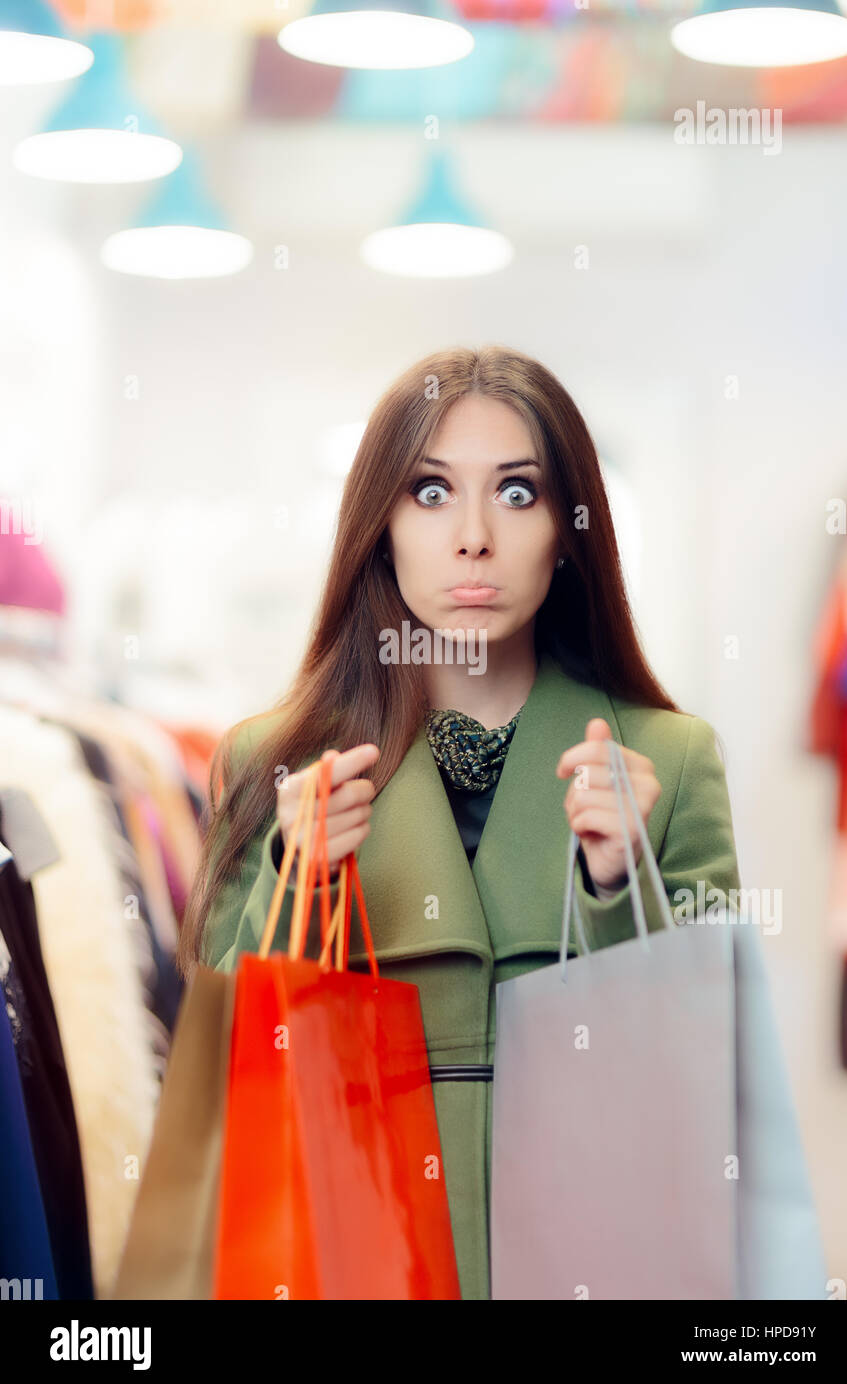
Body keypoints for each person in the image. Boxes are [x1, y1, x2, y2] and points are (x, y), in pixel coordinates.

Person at [179, 343, 741, 1301]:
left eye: (516, 493)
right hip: (351, 1265)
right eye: (430, 493)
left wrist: (617, 890)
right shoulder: (269, 757)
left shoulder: (668, 758)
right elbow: (216, 1095)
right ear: (380, 524)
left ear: (568, 531)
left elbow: (709, 1089)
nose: (473, 535)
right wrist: (300, 882)